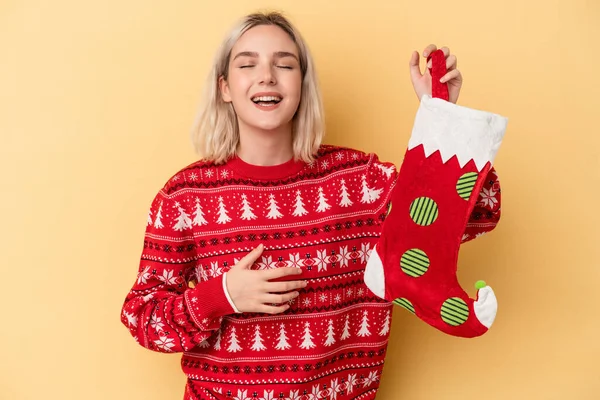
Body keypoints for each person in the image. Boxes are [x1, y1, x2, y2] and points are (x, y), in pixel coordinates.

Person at [120, 11, 502, 399]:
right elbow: (142, 319)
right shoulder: (184, 197)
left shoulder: (363, 183)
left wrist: (444, 121)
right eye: (247, 64)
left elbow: (478, 212)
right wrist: (223, 295)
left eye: (284, 64)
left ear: (302, 84)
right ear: (225, 88)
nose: (267, 75)